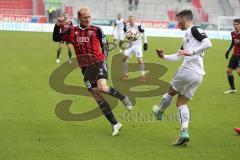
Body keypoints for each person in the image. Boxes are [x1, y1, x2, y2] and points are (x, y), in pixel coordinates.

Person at [52, 7, 133, 136]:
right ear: (79, 18)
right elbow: (56, 38)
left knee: (102, 87)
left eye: (89, 17)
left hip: (98, 62)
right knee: (97, 95)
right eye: (85, 17)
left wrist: (104, 58)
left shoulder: (96, 30)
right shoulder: (72, 31)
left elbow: (105, 44)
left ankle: (123, 98)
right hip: (85, 68)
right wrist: (57, 25)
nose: (88, 19)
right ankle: (115, 123)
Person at [152, 10, 212, 146]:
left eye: (178, 20)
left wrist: (191, 52)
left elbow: (208, 43)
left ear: (185, 19)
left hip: (188, 70)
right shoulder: (187, 36)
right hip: (198, 75)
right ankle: (184, 132)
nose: (177, 23)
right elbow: (179, 55)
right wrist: (163, 56)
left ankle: (159, 111)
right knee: (181, 103)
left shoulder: (194, 29)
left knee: (170, 91)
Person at [121, 15, 148, 81]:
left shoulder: (138, 26)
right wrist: (121, 40)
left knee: (139, 60)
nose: (131, 21)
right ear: (129, 20)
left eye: (132, 20)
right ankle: (125, 75)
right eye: (130, 20)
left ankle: (143, 75)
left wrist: (145, 43)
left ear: (134, 20)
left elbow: (144, 33)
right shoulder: (127, 26)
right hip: (129, 44)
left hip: (137, 44)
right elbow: (124, 33)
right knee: (124, 59)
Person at [224, 18, 240, 94]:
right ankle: (232, 88)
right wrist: (228, 51)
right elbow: (233, 43)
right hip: (234, 55)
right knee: (228, 71)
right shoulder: (233, 33)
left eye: (237, 24)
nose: (235, 26)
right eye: (234, 24)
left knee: (239, 71)